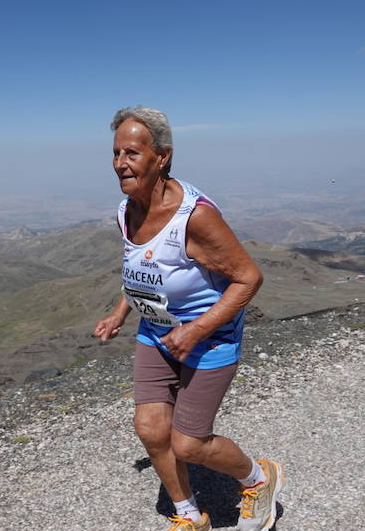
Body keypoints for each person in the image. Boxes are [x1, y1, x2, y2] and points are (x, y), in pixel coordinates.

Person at [94, 106, 283, 531]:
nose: (120, 163)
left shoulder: (194, 216)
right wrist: (120, 310)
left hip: (210, 338)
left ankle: (258, 479)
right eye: (115, 152)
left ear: (162, 157)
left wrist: (196, 329)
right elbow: (143, 268)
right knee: (150, 428)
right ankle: (190, 515)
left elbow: (249, 278)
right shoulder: (127, 211)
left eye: (132, 153)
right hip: (155, 332)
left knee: (189, 442)